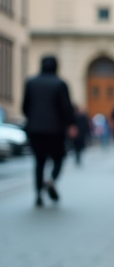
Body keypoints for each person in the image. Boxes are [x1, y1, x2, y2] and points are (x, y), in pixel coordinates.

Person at [22, 55, 76, 207]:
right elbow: (66, 108)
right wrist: (71, 124)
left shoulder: (31, 83)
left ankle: (38, 193)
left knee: (39, 161)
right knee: (59, 158)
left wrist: (34, 119)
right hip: (55, 130)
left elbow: (25, 107)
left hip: (35, 130)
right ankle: (51, 180)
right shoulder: (60, 84)